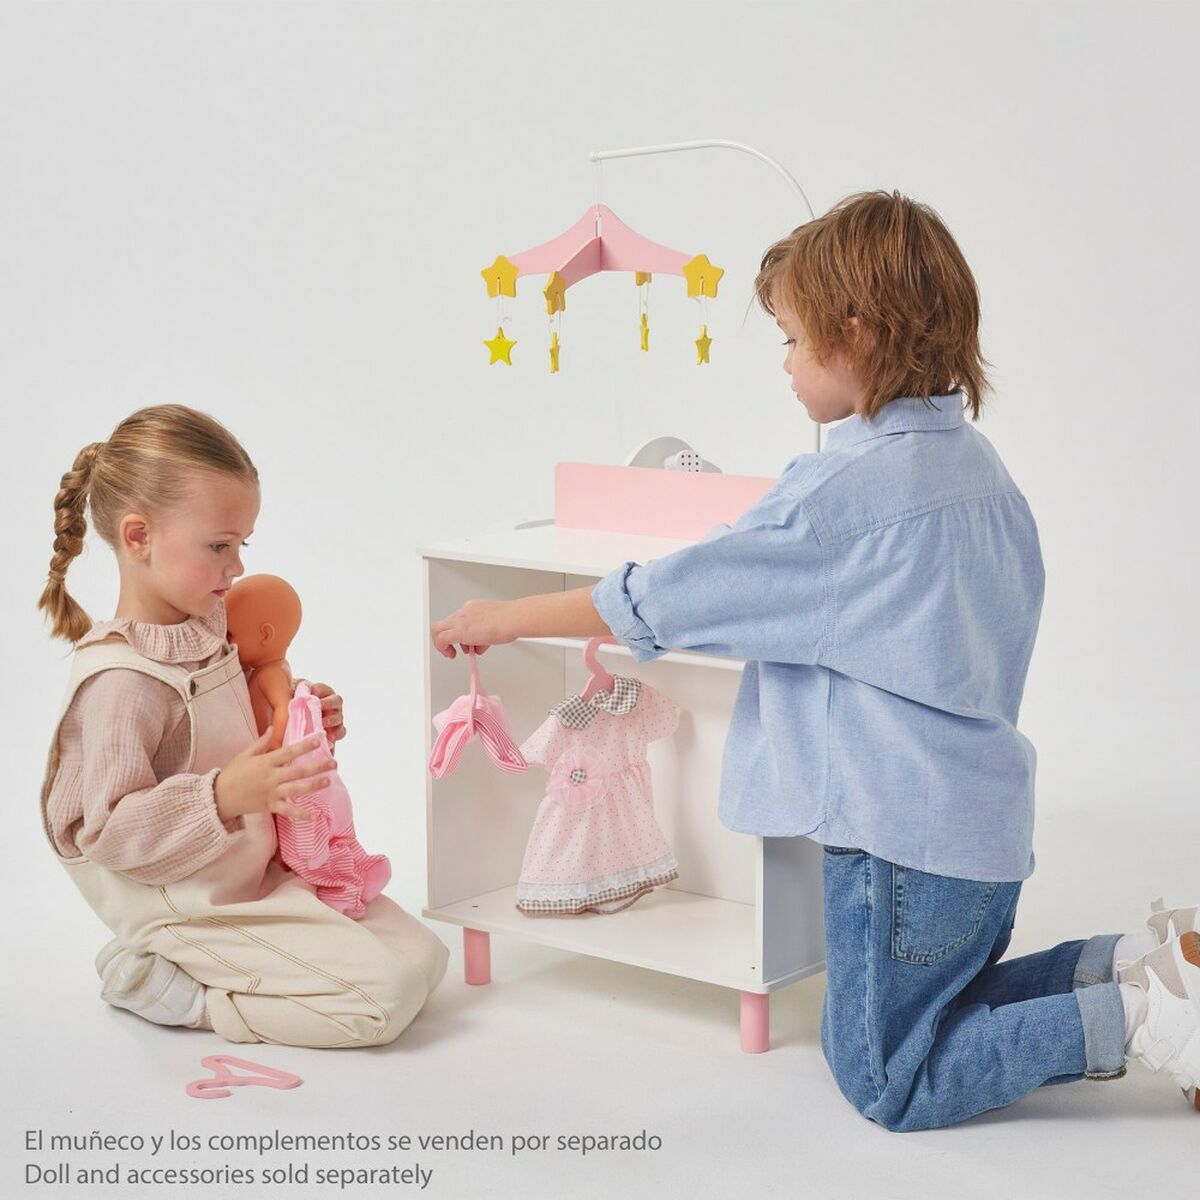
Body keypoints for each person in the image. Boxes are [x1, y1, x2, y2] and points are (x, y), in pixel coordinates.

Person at [430, 190, 1199, 1129]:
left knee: (887, 1077)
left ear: (856, 334)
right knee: (945, 1007)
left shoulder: (838, 499)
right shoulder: (983, 471)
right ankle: (1139, 964)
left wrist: (509, 616)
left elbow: (672, 596)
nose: (786, 364)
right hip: (986, 829)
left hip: (898, 846)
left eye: (793, 340)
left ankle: (1146, 1017)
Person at [40, 404, 447, 1047]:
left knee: (426, 959)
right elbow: (107, 831)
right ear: (139, 537)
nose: (235, 567)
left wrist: (301, 718)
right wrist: (224, 795)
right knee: (383, 999)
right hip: (186, 902)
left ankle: (258, 961)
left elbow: (235, 728)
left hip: (251, 872)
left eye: (241, 546)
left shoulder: (207, 630)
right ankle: (176, 991)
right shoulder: (122, 682)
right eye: (219, 546)